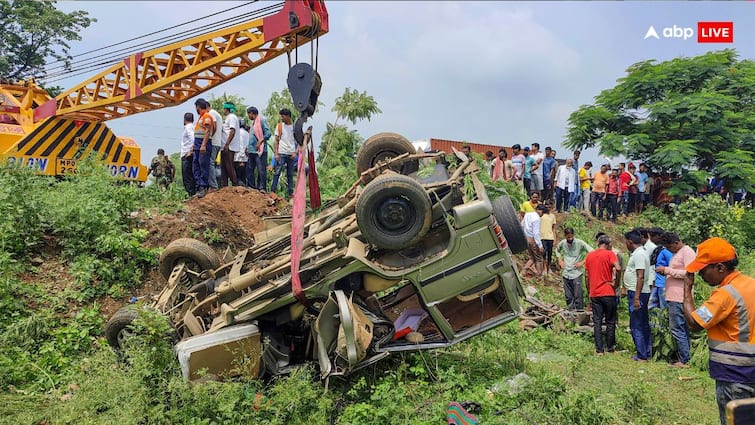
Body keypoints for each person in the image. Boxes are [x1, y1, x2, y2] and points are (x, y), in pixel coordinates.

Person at [682, 237, 755, 425]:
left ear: (720, 268)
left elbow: (694, 322)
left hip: (735, 375)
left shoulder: (725, 294)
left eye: (703, 270)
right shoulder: (751, 285)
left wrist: (687, 290)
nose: (700, 275)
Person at [656, 231, 696, 367]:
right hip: (675, 296)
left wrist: (667, 270)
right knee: (679, 327)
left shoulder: (687, 252)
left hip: (680, 296)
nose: (668, 250)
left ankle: (684, 359)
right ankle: (684, 356)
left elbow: (689, 273)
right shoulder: (678, 253)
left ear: (676, 243)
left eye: (669, 247)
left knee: (677, 328)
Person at [585, 234, 622, 355]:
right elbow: (618, 268)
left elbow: (586, 276)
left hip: (595, 293)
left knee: (597, 321)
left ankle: (599, 350)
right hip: (608, 291)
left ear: (598, 243)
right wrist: (616, 283)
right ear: (608, 244)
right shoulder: (610, 254)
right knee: (610, 321)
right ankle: (610, 348)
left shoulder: (590, 256)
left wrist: (589, 290)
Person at [624, 230, 652, 361]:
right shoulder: (640, 252)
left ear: (630, 241)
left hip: (638, 293)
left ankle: (642, 354)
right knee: (642, 322)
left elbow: (640, 276)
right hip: (640, 292)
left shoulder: (639, 254)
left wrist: (636, 298)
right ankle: (646, 351)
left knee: (636, 324)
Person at [556, 228, 593, 310]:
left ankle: (579, 311)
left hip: (576, 272)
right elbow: (557, 250)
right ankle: (570, 311)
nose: (570, 239)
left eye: (571, 237)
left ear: (573, 235)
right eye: (568, 237)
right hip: (566, 272)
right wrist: (560, 260)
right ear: (565, 236)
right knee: (568, 295)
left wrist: (582, 262)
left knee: (578, 294)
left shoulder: (580, 243)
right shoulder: (563, 243)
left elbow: (592, 252)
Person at [270, 108, 298, 198]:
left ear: (288, 116)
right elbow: (276, 141)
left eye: (283, 116)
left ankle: (290, 193)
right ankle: (272, 191)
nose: (282, 118)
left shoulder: (294, 128)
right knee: (277, 172)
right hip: (281, 152)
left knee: (289, 174)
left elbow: (299, 142)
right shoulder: (279, 126)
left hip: (291, 153)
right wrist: (276, 154)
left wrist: (295, 153)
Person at [192, 98, 214, 198]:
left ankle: (203, 186)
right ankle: (198, 187)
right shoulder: (200, 117)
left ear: (198, 107)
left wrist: (204, 145)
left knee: (203, 165)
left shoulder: (207, 116)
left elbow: (208, 131)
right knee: (196, 165)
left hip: (203, 145)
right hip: (197, 145)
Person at [246, 106, 271, 192]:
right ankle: (251, 187)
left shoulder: (261, 120)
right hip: (251, 150)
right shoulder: (253, 123)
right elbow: (252, 136)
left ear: (252, 113)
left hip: (260, 150)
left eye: (249, 114)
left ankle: (261, 188)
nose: (248, 116)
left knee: (261, 170)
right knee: (250, 169)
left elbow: (268, 133)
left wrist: (260, 141)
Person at [648, 227, 673, 309]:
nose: (650, 239)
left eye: (652, 236)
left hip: (663, 284)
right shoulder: (659, 250)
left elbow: (672, 265)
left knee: (663, 308)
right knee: (652, 307)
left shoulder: (666, 251)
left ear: (658, 236)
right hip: (658, 284)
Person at [521, 204, 546, 277]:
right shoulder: (537, 219)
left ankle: (523, 271)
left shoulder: (527, 214)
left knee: (532, 257)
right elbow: (536, 233)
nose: (542, 214)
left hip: (526, 238)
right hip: (532, 239)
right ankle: (539, 276)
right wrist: (540, 245)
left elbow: (522, 225)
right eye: (543, 212)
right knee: (539, 258)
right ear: (540, 210)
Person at [220, 102, 240, 187]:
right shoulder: (228, 118)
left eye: (224, 109)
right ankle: (224, 186)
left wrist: (227, 144)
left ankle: (235, 184)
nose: (223, 110)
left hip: (229, 147)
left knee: (229, 167)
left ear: (227, 109)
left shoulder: (231, 117)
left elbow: (232, 131)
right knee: (223, 167)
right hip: (225, 147)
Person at [207, 105, 223, 191]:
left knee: (210, 163)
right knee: (212, 163)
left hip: (213, 142)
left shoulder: (211, 113)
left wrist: (209, 136)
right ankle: (213, 185)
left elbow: (214, 125)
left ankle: (213, 185)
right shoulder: (217, 114)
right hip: (217, 142)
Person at [180, 112, 196, 196]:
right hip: (189, 154)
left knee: (187, 176)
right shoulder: (193, 127)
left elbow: (193, 139)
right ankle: (192, 194)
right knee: (191, 175)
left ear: (184, 119)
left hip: (187, 154)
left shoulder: (188, 128)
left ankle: (191, 194)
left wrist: (190, 151)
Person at [540, 203, 556, 275]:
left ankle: (548, 267)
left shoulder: (553, 216)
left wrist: (554, 237)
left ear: (552, 207)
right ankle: (544, 269)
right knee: (544, 253)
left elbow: (553, 228)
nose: (548, 208)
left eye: (549, 207)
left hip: (550, 237)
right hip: (542, 237)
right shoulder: (542, 215)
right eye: (546, 207)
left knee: (549, 254)